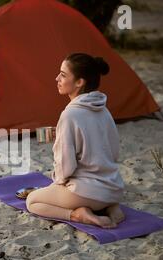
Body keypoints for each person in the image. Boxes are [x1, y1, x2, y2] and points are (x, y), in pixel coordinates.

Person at [26, 53, 125, 229]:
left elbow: (66, 168)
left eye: (63, 75)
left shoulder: (69, 115)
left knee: (32, 201)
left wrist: (58, 182)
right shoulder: (104, 110)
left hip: (87, 192)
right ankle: (112, 208)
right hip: (113, 188)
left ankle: (78, 214)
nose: (57, 78)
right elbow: (114, 151)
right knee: (92, 192)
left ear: (80, 82)